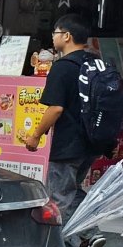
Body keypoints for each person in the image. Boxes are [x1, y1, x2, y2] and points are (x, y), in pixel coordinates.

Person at [24, 14, 95, 222]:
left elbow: (56, 108)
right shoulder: (95, 63)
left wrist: (36, 135)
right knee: (72, 190)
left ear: (67, 36)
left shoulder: (63, 67)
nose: (52, 38)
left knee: (57, 200)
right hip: (91, 142)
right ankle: (89, 233)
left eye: (55, 33)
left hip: (68, 145)